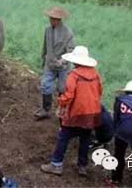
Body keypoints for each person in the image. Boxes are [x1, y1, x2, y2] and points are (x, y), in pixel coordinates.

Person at [41, 46, 102, 177]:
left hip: (78, 112)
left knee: (64, 135)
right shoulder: (96, 74)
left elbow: (69, 96)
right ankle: (82, 166)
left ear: (76, 61)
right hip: (93, 112)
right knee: (85, 138)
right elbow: (100, 91)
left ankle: (56, 164)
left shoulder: (74, 75)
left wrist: (61, 102)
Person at [34, 6, 75, 121]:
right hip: (50, 63)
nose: (51, 20)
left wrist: (62, 61)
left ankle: (62, 110)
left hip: (63, 66)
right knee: (45, 84)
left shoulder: (68, 33)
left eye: (54, 18)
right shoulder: (47, 30)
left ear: (59, 19)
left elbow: (71, 50)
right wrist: (44, 57)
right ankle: (46, 110)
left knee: (62, 89)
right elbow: (45, 45)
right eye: (51, 18)